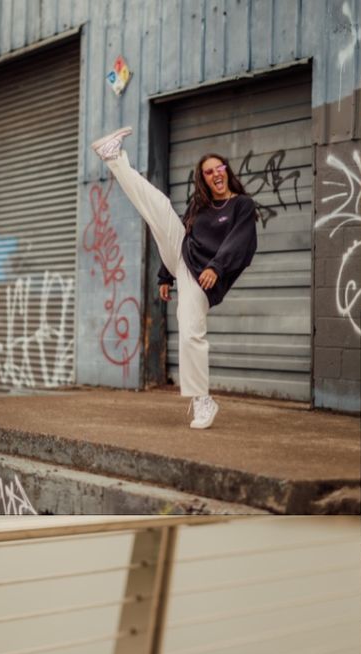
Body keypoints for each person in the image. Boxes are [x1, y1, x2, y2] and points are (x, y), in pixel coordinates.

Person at [91, 128, 258, 429]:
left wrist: (216, 267)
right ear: (203, 179)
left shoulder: (242, 205)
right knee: (158, 207)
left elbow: (240, 241)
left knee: (191, 331)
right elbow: (185, 230)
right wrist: (165, 275)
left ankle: (202, 400)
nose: (215, 175)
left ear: (227, 172)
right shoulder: (200, 205)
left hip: (204, 278)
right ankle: (114, 156)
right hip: (182, 256)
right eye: (208, 172)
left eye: (219, 168)